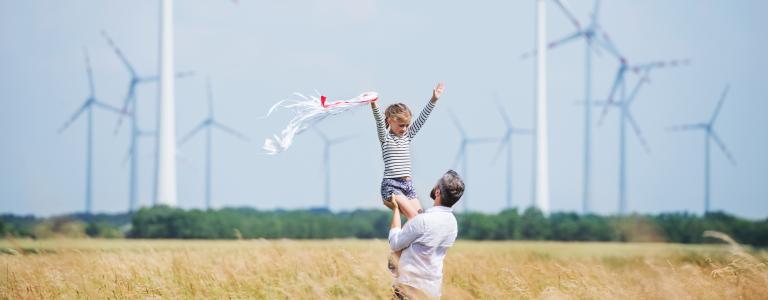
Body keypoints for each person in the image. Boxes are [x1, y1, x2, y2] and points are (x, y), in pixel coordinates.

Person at [384, 170, 465, 299]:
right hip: (432, 291)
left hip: (408, 289)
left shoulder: (423, 221)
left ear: (438, 192)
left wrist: (395, 210)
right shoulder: (452, 223)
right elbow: (420, 222)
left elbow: (394, 243)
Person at [370, 82, 445, 219]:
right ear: (390, 121)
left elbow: (422, 119)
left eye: (407, 125)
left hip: (407, 186)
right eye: (401, 125)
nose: (404, 129)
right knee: (413, 218)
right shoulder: (385, 138)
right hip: (391, 186)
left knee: (421, 220)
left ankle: (412, 240)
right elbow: (380, 123)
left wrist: (433, 100)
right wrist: (374, 104)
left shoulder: (407, 136)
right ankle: (400, 239)